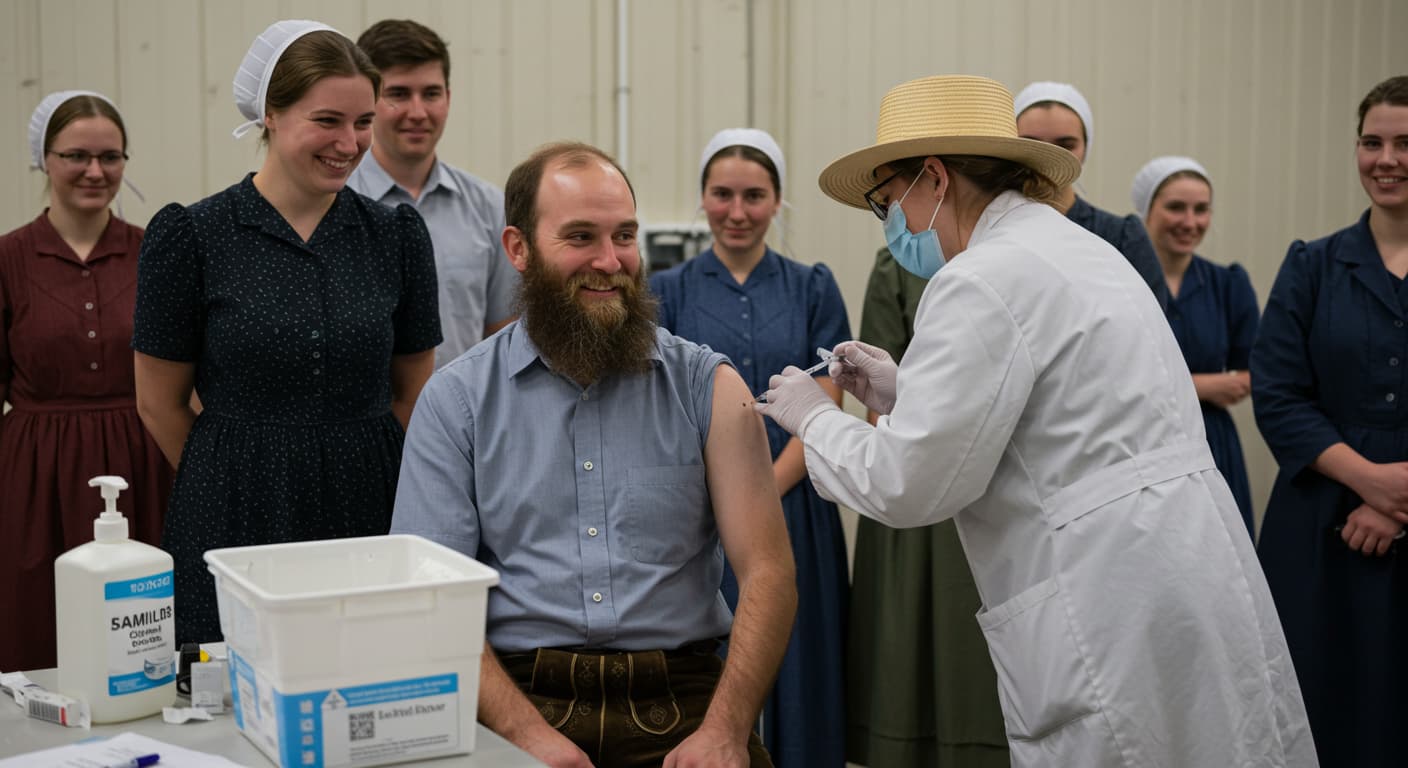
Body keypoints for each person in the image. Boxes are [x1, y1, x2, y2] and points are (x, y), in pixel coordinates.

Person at [758, 74, 1315, 767]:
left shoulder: (978, 278)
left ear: (933, 178)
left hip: (1103, 588)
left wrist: (815, 419)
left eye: (887, 201)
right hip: (1181, 564)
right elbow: (1057, 409)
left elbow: (908, 484)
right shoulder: (1079, 249)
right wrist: (907, 391)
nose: (891, 222)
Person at [391, 141, 796, 768]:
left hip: (684, 705)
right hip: (513, 697)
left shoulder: (709, 389)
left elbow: (768, 574)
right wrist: (528, 739)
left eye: (624, 236)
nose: (610, 262)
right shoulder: (457, 401)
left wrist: (726, 731)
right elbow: (431, 601)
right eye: (581, 237)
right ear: (518, 250)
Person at [132, 20, 441, 645]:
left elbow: (413, 388)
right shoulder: (193, 237)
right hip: (235, 510)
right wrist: (230, 477)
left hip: (367, 506)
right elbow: (158, 402)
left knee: (365, 681)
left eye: (361, 122)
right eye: (327, 120)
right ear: (270, 114)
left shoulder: (395, 238)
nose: (349, 143)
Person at [649, 128, 849, 767]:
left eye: (754, 196)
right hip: (704, 515)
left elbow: (829, 401)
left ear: (778, 202)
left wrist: (763, 487)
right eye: (723, 194)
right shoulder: (670, 289)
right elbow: (662, 402)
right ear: (702, 199)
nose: (737, 212)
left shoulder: (813, 287)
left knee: (799, 653)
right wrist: (729, 494)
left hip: (797, 506)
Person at [1251, 74, 1408, 768]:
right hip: (1320, 526)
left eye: (1405, 143)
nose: (1387, 159)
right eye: (1372, 142)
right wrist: (1374, 482)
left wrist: (1399, 502)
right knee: (1319, 711)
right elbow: (1278, 393)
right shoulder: (1311, 267)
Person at [0, 91, 173, 671]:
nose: (95, 171)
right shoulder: (8, 260)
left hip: (141, 457)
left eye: (111, 157)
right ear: (43, 159)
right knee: (34, 615)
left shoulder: (155, 252)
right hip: (34, 470)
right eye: (76, 155)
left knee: (141, 620)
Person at [844, 248, 1008, 768]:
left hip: (993, 483)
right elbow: (878, 414)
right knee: (908, 652)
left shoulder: (1014, 266)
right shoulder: (897, 268)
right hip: (916, 482)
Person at [347, 19, 518, 365]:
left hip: (467, 417)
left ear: (448, 98)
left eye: (431, 93)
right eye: (398, 94)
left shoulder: (489, 208)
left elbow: (503, 336)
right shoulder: (333, 204)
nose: (418, 112)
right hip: (368, 417)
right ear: (367, 100)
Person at [1133, 156, 1258, 535]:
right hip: (1139, 440)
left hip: (1210, 443)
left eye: (1201, 209)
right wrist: (1204, 386)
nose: (1190, 222)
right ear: (1146, 210)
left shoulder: (1228, 284)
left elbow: (1254, 371)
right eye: (1175, 207)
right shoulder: (1123, 279)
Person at [1014, 81, 1169, 310]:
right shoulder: (984, 226)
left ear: (1086, 148)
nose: (1050, 157)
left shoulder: (1122, 239)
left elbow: (1151, 327)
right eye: (1031, 143)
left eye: (1065, 145)